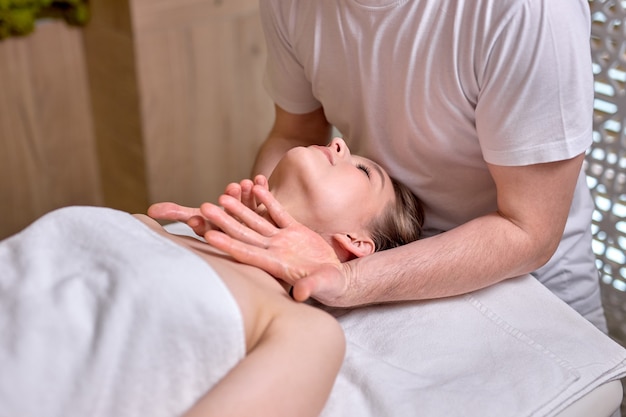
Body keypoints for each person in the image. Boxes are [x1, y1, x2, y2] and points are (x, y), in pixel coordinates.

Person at [158, 0, 607, 332]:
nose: (337, 145)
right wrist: (266, 224)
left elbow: (528, 230)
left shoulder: (524, 12)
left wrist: (350, 280)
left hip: (531, 294)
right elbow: (295, 134)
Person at [0, 138, 424, 417]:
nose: (338, 142)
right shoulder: (154, 225)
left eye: (364, 171)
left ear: (356, 242)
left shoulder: (305, 331)